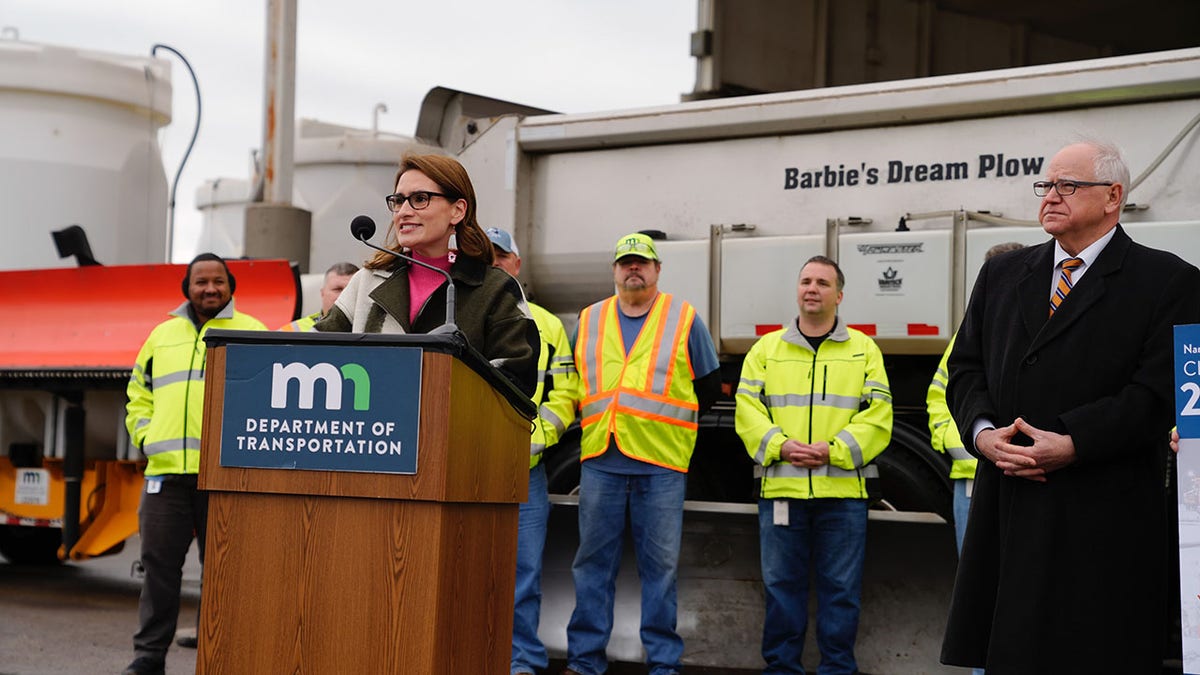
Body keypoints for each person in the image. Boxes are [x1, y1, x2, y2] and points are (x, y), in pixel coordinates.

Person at [941, 140, 1200, 673]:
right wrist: (984, 432)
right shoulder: (1002, 275)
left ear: (1112, 196)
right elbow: (965, 369)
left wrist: (1074, 442)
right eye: (1046, 185)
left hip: (1101, 514)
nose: (1050, 197)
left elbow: (1158, 394)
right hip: (1009, 501)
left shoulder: (1169, 281)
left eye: (1067, 186)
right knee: (1010, 653)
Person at [562, 232, 721, 675]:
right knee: (592, 567)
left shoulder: (684, 318)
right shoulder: (590, 318)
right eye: (625, 262)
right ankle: (585, 662)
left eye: (642, 262)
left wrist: (663, 424)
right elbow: (578, 380)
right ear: (615, 270)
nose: (633, 269)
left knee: (661, 571)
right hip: (601, 463)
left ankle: (664, 665)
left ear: (657, 270)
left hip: (661, 466)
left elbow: (708, 387)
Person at [735, 255, 893, 675]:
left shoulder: (864, 350)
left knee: (840, 591)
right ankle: (782, 669)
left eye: (823, 283)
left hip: (843, 494)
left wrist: (833, 450)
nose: (812, 288)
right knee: (781, 589)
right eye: (806, 280)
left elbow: (879, 415)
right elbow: (746, 410)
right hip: (782, 491)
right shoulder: (767, 349)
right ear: (797, 289)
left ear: (838, 295)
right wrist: (781, 447)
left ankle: (837, 669)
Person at [123, 253, 267, 675]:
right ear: (187, 288)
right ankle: (148, 659)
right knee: (158, 572)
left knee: (224, 575)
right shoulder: (161, 335)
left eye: (218, 282)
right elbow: (138, 393)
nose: (210, 289)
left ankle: (220, 659)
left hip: (225, 478)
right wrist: (146, 437)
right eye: (201, 282)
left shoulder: (252, 332)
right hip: (165, 475)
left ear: (231, 286)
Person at [313, 153, 539, 397]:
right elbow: (312, 358)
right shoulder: (367, 281)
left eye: (420, 199)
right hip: (375, 431)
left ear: (458, 211)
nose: (403, 212)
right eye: (399, 201)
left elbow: (516, 379)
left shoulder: (496, 288)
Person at [486, 227, 580, 675]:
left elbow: (565, 395)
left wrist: (533, 438)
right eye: (485, 256)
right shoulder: (456, 312)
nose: (494, 263)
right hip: (467, 469)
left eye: (502, 256)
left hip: (527, 471)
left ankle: (521, 661)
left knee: (523, 576)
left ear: (517, 264)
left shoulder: (548, 324)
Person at [926, 242, 1023, 555]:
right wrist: (970, 446)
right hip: (972, 478)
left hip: (1026, 474)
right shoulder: (966, 338)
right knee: (976, 581)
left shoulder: (1043, 332)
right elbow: (941, 398)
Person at [278, 261, 358, 331]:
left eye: (350, 290)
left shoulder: (368, 329)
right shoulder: (293, 331)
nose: (344, 295)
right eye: (337, 289)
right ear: (322, 293)